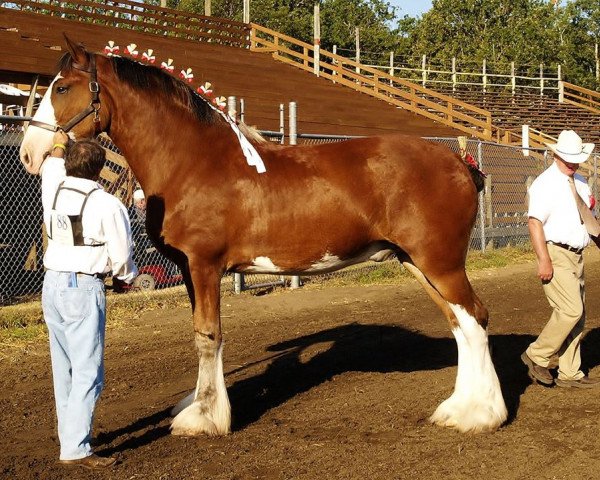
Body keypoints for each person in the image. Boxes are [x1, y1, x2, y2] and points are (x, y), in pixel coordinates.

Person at [41, 131, 137, 469]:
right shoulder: (107, 204)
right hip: (82, 288)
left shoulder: (52, 186)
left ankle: (70, 434)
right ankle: (76, 449)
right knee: (88, 372)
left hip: (51, 285)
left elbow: (52, 163)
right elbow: (122, 253)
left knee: (63, 368)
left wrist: (58, 140)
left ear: (68, 162)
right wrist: (126, 278)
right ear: (99, 170)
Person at [522, 129, 600, 389]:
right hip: (556, 253)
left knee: (578, 316)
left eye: (576, 157)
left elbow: (587, 217)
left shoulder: (579, 181)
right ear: (556, 154)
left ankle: (570, 372)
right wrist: (543, 260)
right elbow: (535, 223)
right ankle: (537, 355)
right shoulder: (545, 184)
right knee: (570, 310)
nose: (573, 161)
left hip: (577, 255)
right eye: (568, 156)